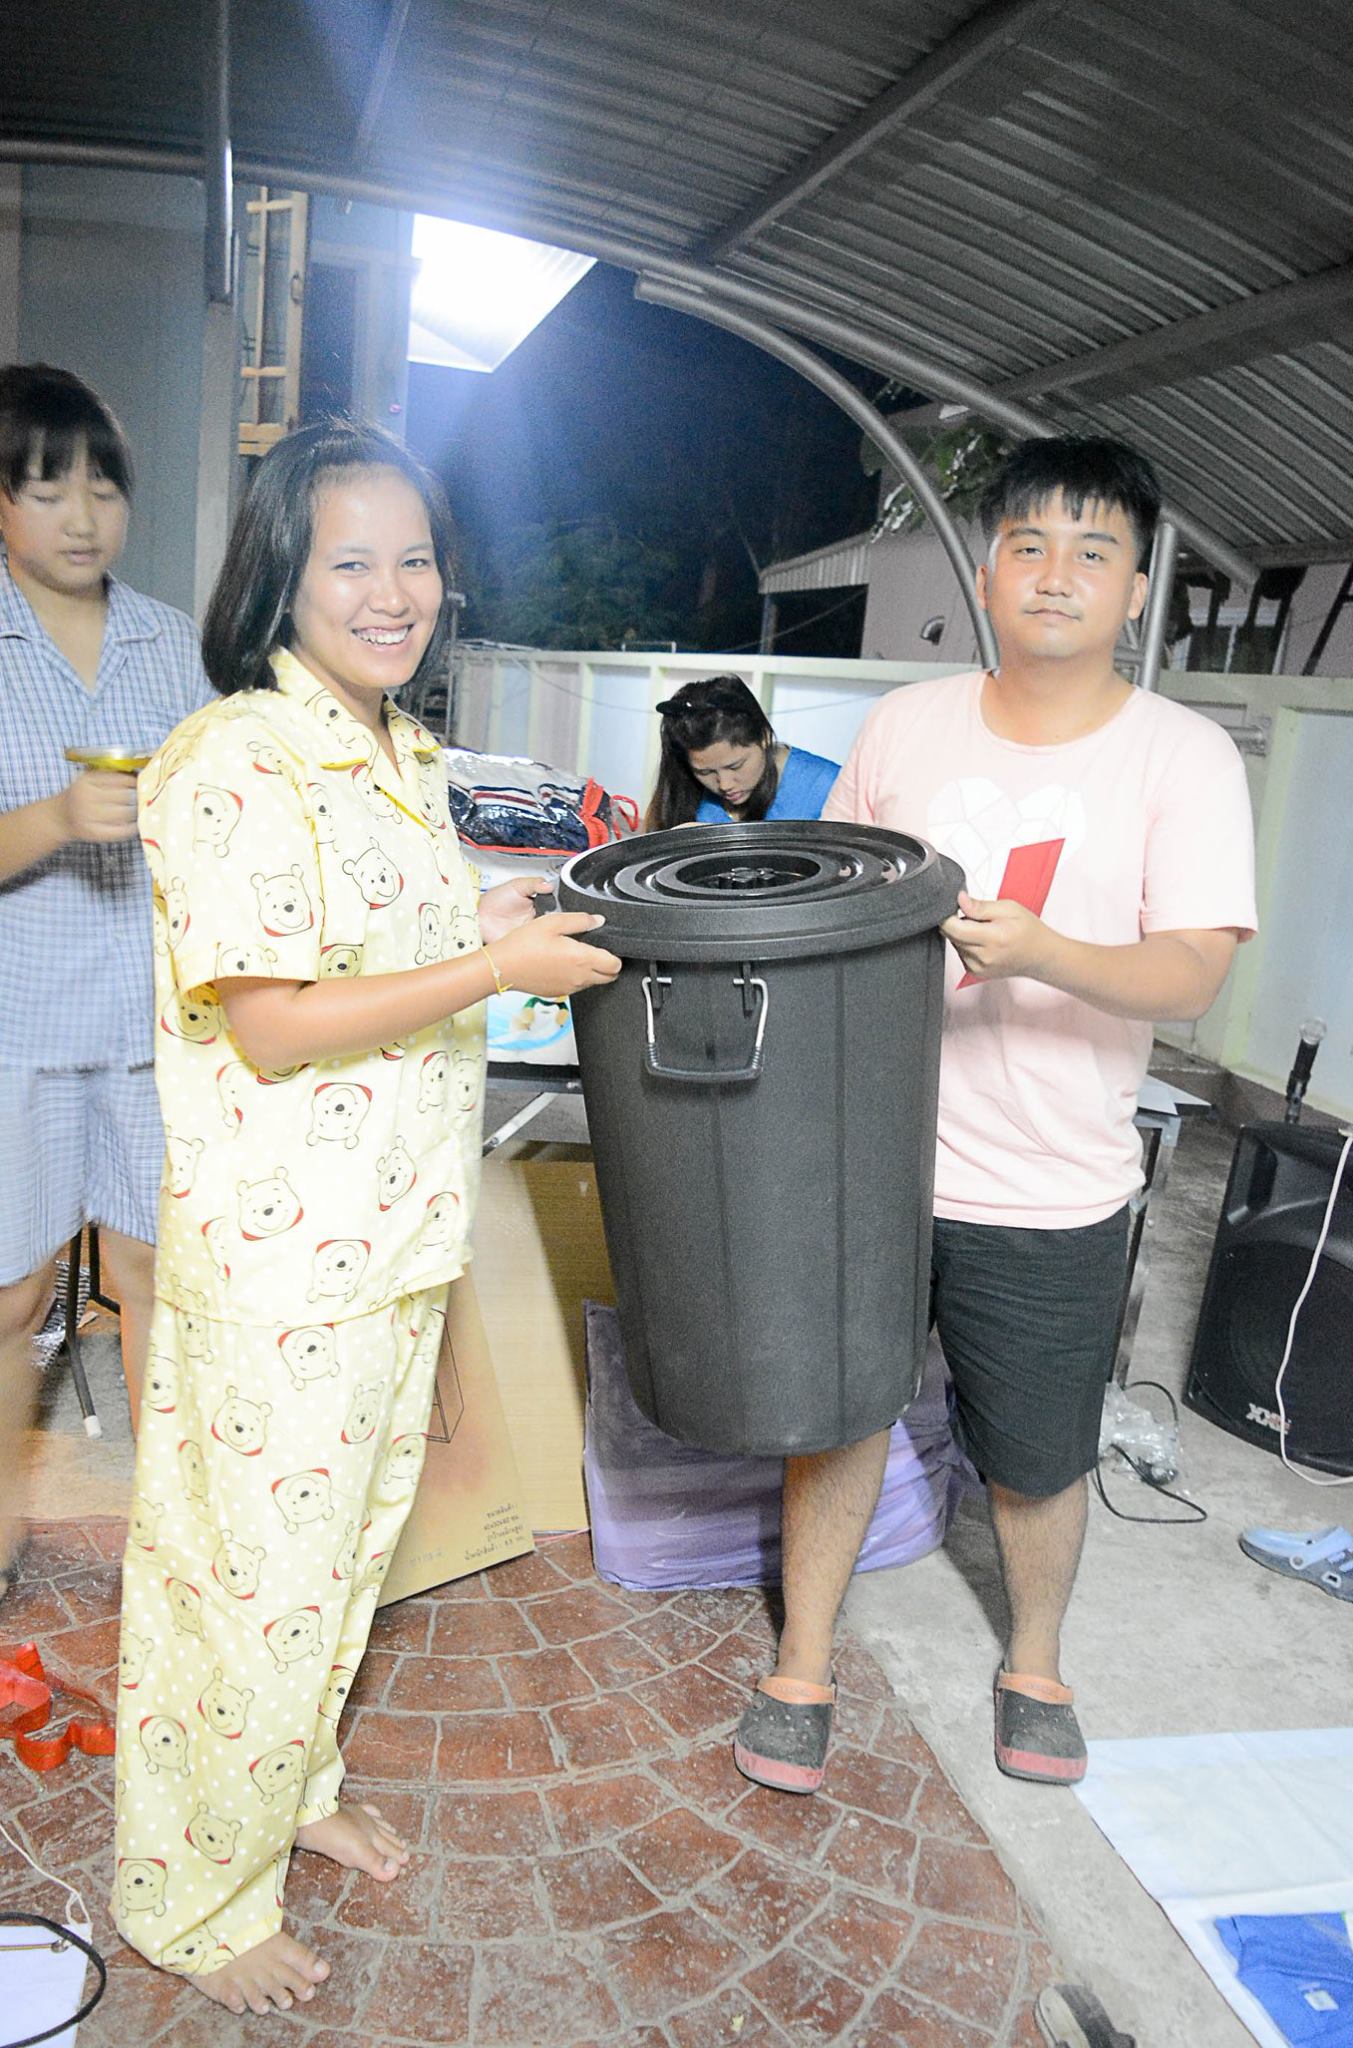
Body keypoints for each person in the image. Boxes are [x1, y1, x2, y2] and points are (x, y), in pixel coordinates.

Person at [110, 420, 620, 2018]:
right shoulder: (236, 759)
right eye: (353, 561)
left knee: (336, 1564)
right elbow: (270, 1021)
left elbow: (367, 943)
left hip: (394, 1235)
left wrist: (485, 911)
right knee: (247, 1584)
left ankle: (291, 1788)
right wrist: (493, 968)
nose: (394, 592)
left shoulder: (398, 752)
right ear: (282, 576)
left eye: (416, 559)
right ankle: (192, 1899)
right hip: (282, 1265)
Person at [733, 435, 1257, 1796]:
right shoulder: (907, 726)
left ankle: (1034, 1662)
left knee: (1036, 1454)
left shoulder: (1182, 756)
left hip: (1052, 1180)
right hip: (870, 1159)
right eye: (1028, 545)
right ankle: (801, 1662)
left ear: (1135, 588)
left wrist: (1043, 953)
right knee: (836, 1419)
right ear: (985, 571)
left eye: (1093, 551)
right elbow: (830, 900)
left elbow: (1191, 970)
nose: (1055, 574)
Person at [0, 363, 212, 1593]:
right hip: (18, 1024)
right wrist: (56, 817)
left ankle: (169, 1536)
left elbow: (219, 812)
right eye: (45, 489)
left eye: (103, 487)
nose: (82, 516)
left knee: (153, 1281)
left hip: (149, 1022)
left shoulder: (169, 641)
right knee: (14, 1290)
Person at [644, 674, 839, 829]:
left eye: (735, 766)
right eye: (705, 772)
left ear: (764, 737)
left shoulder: (827, 787)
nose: (725, 785)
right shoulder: (682, 788)